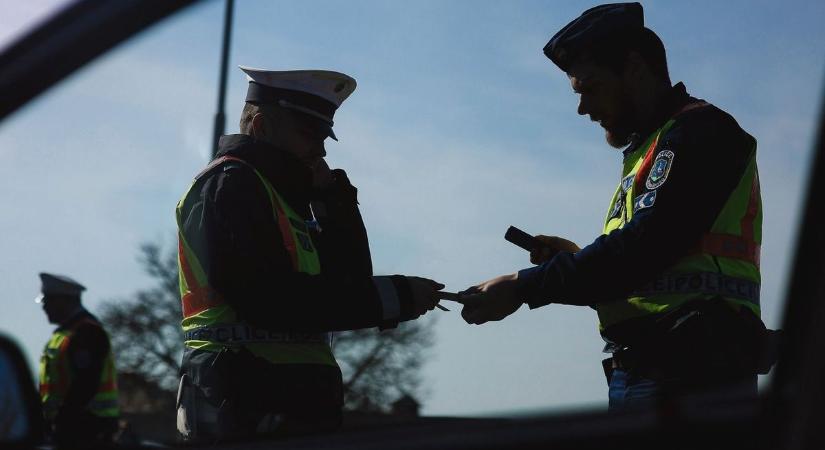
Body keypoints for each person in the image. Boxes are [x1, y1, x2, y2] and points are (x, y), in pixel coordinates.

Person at [460, 3, 776, 411]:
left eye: (590, 88)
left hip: (692, 376)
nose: (582, 108)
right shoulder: (652, 145)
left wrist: (525, 286)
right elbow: (648, 263)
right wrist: (575, 261)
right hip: (654, 373)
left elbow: (641, 251)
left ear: (634, 69)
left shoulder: (701, 134)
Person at [175, 66, 444, 442]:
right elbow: (273, 301)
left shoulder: (280, 197)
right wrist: (397, 296)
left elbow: (347, 285)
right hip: (245, 402)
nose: (320, 150)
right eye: (308, 135)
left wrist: (336, 202)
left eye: (323, 138)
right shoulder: (231, 184)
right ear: (261, 127)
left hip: (281, 403)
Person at [36, 273, 119, 446]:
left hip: (88, 431)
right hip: (71, 430)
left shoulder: (87, 333)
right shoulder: (65, 334)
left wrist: (62, 419)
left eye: (47, 302)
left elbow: (86, 384)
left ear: (63, 301)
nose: (44, 308)